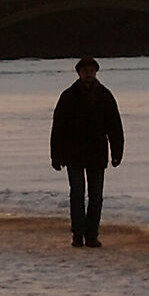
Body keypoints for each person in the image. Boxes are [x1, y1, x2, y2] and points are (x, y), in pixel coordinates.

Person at [50, 55, 125, 247]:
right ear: (79, 73)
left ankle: (91, 235)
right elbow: (58, 127)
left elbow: (114, 126)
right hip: (73, 153)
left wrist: (117, 151)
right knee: (77, 194)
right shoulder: (68, 96)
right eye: (85, 71)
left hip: (96, 153)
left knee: (96, 196)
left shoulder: (105, 96)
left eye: (91, 71)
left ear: (96, 72)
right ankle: (78, 234)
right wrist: (56, 155)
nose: (89, 74)